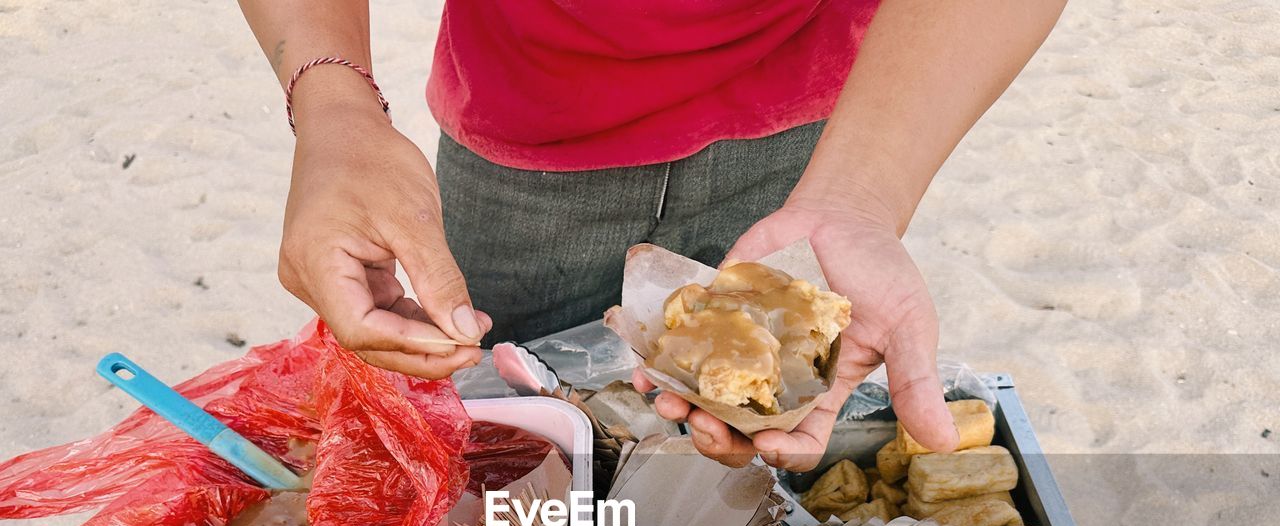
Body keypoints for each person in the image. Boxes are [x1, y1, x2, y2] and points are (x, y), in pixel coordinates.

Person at [238, 0, 1065, 469]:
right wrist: (333, 107)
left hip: (825, 131)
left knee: (732, 475)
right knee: (495, 458)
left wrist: (860, 193)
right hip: (521, 139)